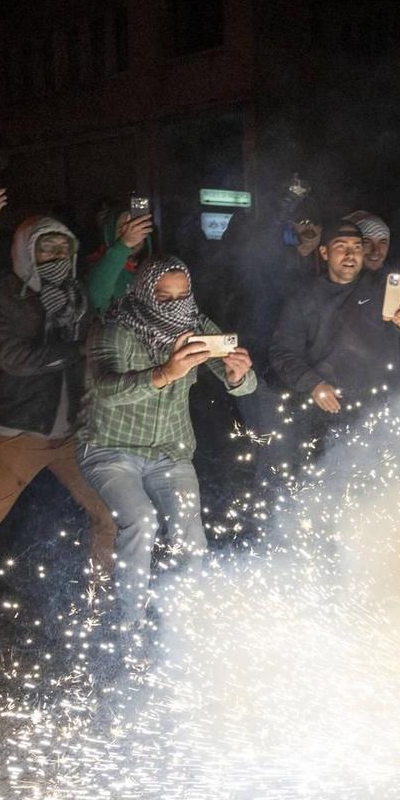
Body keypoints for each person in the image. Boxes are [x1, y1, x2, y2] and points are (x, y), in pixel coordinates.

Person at [76, 255, 255, 636]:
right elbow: (106, 391)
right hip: (111, 449)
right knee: (140, 520)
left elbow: (245, 383)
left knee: (190, 534)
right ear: (144, 293)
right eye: (163, 296)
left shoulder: (194, 326)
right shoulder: (115, 328)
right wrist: (164, 373)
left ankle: (185, 618)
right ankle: (131, 620)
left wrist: (239, 376)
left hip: (170, 453)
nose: (174, 305)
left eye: (182, 295)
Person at [0, 214, 117, 589]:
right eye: (45, 247)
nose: (55, 254)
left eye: (63, 247)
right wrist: (76, 349)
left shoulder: (76, 295)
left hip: (70, 434)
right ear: (25, 252)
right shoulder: (6, 294)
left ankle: (99, 598)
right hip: (20, 431)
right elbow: (13, 359)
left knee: (109, 515)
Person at [267, 218, 400, 457]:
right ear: (324, 252)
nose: (351, 254)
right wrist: (313, 383)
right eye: (341, 246)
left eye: (356, 247)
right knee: (330, 482)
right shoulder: (304, 298)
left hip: (381, 409)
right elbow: (282, 352)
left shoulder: (383, 289)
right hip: (328, 413)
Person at [81, 198, 158, 313]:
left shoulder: (154, 268)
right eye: (123, 229)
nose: (131, 235)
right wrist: (124, 244)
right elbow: (95, 299)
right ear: (110, 233)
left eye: (134, 227)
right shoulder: (96, 265)